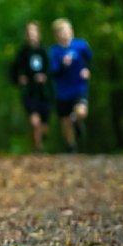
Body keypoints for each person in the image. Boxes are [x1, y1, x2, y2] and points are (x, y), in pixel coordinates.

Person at [49, 18, 93, 153]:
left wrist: (87, 69)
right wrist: (63, 65)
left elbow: (89, 59)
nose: (66, 34)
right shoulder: (54, 52)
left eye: (68, 30)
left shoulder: (81, 45)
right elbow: (52, 72)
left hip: (79, 87)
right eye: (62, 31)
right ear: (56, 35)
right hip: (62, 91)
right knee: (65, 121)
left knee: (81, 112)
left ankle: (78, 122)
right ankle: (71, 147)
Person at [9, 21, 52, 153]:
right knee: (35, 122)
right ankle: (38, 149)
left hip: (44, 92)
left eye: (34, 32)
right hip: (29, 92)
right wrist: (19, 79)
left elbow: (52, 70)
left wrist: (45, 77)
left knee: (43, 125)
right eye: (29, 32)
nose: (31, 35)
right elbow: (13, 70)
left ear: (39, 34)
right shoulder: (22, 53)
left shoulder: (45, 51)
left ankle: (42, 137)